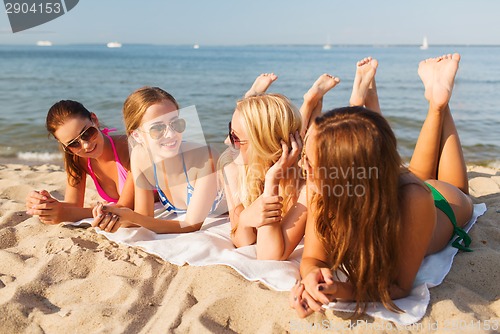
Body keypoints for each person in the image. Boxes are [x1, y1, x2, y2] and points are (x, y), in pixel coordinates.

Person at [291, 54, 474, 318]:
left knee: (451, 187)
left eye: (309, 162)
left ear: (342, 174)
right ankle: (435, 101)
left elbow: (399, 285)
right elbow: (312, 259)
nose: (302, 167)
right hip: (386, 187)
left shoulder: (414, 200)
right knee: (410, 173)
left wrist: (340, 290)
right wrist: (313, 281)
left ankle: (439, 104)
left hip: (443, 203)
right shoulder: (323, 191)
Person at [222, 72, 340, 260]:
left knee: (304, 138)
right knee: (294, 136)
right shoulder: (233, 169)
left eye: (235, 137)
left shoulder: (308, 180)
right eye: (231, 132)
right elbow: (241, 239)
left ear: (262, 145)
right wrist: (244, 220)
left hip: (286, 159)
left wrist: (272, 180)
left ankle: (311, 102)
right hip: (273, 152)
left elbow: (270, 256)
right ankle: (308, 101)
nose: (228, 141)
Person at [92, 86, 224, 233]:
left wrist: (131, 218)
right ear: (136, 135)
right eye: (157, 128)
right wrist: (113, 217)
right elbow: (144, 215)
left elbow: (192, 225)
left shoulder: (205, 157)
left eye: (176, 123)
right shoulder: (139, 156)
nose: (171, 134)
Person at [25, 100, 134, 224]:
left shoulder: (129, 148)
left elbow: (125, 209)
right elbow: (74, 204)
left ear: (95, 120)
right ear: (64, 145)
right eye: (73, 143)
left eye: (87, 133)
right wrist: (45, 205)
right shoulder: (76, 158)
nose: (86, 145)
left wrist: (65, 214)